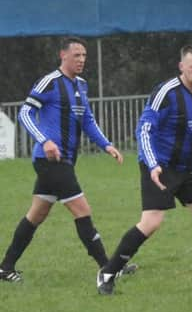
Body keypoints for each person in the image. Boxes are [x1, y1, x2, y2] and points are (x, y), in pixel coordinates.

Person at [0, 36, 136, 282]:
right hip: (50, 162)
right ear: (63, 56)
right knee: (82, 210)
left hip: (66, 161)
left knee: (36, 215)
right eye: (77, 55)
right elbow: (25, 113)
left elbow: (88, 121)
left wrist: (106, 145)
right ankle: (108, 267)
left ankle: (5, 268)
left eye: (84, 55)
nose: (82, 60)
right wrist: (45, 141)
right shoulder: (49, 82)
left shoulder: (81, 85)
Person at [96, 45, 192, 295]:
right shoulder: (166, 92)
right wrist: (152, 164)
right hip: (160, 166)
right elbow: (144, 128)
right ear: (181, 67)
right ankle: (108, 272)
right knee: (152, 222)